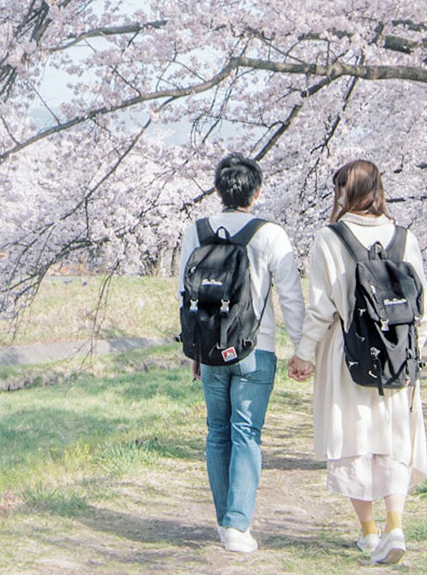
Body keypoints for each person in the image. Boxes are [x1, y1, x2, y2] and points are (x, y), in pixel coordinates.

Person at [288, 159, 427, 565]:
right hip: (398, 357)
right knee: (394, 441)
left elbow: (320, 308)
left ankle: (369, 534)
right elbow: (422, 310)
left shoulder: (330, 238)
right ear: (379, 190)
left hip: (347, 354)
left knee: (354, 441)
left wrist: (303, 355)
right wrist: (409, 353)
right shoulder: (406, 238)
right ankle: (396, 525)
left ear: (342, 193)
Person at [177, 153, 305, 554]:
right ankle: (236, 525)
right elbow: (291, 297)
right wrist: (302, 348)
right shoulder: (270, 234)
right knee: (246, 433)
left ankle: (223, 521)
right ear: (257, 190)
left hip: (211, 350)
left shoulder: (195, 231)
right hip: (255, 348)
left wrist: (193, 349)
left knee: (217, 432)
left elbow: (185, 294)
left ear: (218, 190)